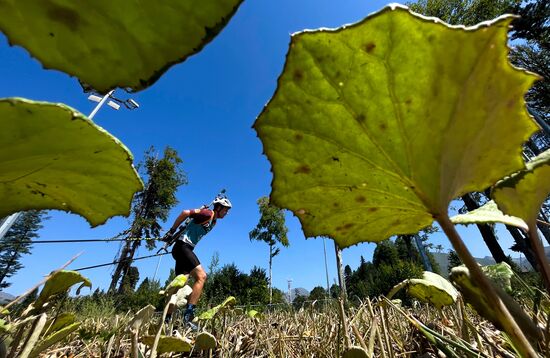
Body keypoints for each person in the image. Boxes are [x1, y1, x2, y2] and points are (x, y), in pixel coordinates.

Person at [165, 196, 232, 329]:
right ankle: (188, 317)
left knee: (179, 285)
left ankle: (166, 319)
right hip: (183, 246)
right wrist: (171, 231)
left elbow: (193, 223)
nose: (227, 213)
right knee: (201, 276)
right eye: (225, 210)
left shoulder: (213, 221)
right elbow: (185, 213)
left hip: (184, 248)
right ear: (218, 207)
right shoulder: (208, 213)